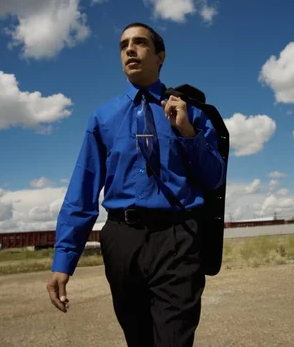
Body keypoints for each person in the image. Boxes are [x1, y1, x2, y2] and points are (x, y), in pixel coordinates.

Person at [46, 22, 226, 346]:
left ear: (160, 56)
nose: (130, 49)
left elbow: (214, 178)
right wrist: (64, 259)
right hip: (121, 240)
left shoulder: (193, 114)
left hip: (178, 237)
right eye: (123, 44)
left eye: (140, 42)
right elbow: (83, 191)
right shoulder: (102, 118)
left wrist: (186, 132)